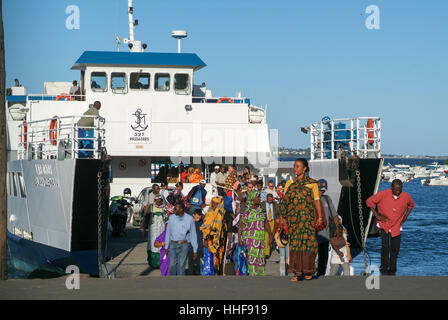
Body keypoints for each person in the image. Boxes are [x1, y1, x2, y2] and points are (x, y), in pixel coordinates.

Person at [279, 158, 324, 282]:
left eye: (298, 166)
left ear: (304, 169)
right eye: (294, 166)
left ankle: (308, 270)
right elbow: (285, 202)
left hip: (307, 220)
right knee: (295, 245)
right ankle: (297, 273)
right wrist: (282, 217)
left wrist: (319, 217)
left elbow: (316, 201)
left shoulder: (312, 184)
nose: (295, 169)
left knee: (309, 244)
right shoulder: (289, 184)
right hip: (294, 220)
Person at [366, 179, 415, 276]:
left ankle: (393, 269)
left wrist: (405, 217)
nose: (398, 191)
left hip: (397, 226)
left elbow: (411, 206)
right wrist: (377, 215)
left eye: (400, 189)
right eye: (396, 189)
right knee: (385, 247)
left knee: (395, 248)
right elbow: (369, 201)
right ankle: (384, 268)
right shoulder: (383, 194)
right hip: (384, 224)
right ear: (392, 187)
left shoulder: (406, 196)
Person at [238, 191, 273, 276]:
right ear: (252, 199)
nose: (259, 199)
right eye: (257, 197)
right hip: (250, 239)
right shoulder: (247, 211)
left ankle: (260, 275)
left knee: (260, 257)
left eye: (259, 197)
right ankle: (252, 274)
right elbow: (241, 225)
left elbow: (266, 223)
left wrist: (270, 235)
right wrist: (239, 238)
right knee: (252, 257)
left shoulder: (262, 210)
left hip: (260, 238)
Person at [164, 203, 198, 276]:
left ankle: (180, 284)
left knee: (181, 266)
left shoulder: (189, 219)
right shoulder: (171, 217)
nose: (174, 210)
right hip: (173, 244)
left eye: (176, 208)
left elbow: (193, 234)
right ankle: (172, 283)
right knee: (172, 265)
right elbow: (168, 232)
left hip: (184, 245)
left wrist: (195, 250)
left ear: (181, 209)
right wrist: (166, 247)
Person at [316, 179, 340, 277]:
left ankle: (321, 275)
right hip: (313, 235)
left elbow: (334, 215)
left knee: (323, 257)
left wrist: (338, 228)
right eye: (320, 190)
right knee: (311, 257)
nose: (322, 192)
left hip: (325, 235)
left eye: (323, 190)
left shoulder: (327, 199)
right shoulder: (310, 200)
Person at [200, 196, 227, 275]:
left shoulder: (223, 213)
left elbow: (225, 227)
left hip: (220, 239)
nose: (214, 205)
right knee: (211, 256)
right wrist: (204, 238)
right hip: (210, 239)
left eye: (217, 204)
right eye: (213, 203)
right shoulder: (209, 213)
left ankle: (218, 272)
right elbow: (205, 226)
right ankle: (211, 272)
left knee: (220, 257)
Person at [142, 195, 169, 268]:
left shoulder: (165, 209)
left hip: (161, 230)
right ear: (155, 200)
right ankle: (153, 263)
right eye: (157, 200)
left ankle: (161, 263)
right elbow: (146, 218)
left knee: (160, 246)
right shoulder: (150, 207)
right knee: (152, 245)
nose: (159, 201)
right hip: (152, 231)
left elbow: (167, 221)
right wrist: (143, 229)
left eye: (160, 200)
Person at [261, 193, 279, 259]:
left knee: (272, 235)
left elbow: (278, 212)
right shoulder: (262, 204)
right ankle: (266, 253)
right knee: (267, 236)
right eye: (268, 200)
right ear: (266, 199)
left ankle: (269, 247)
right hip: (266, 221)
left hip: (273, 221)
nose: (270, 201)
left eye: (271, 200)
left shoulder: (275, 204)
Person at [188, 209, 204, 275]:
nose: (198, 217)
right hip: (191, 246)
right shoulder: (190, 223)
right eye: (196, 216)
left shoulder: (203, 223)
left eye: (199, 216)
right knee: (191, 264)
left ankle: (197, 277)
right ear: (193, 215)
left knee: (198, 264)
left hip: (199, 246)